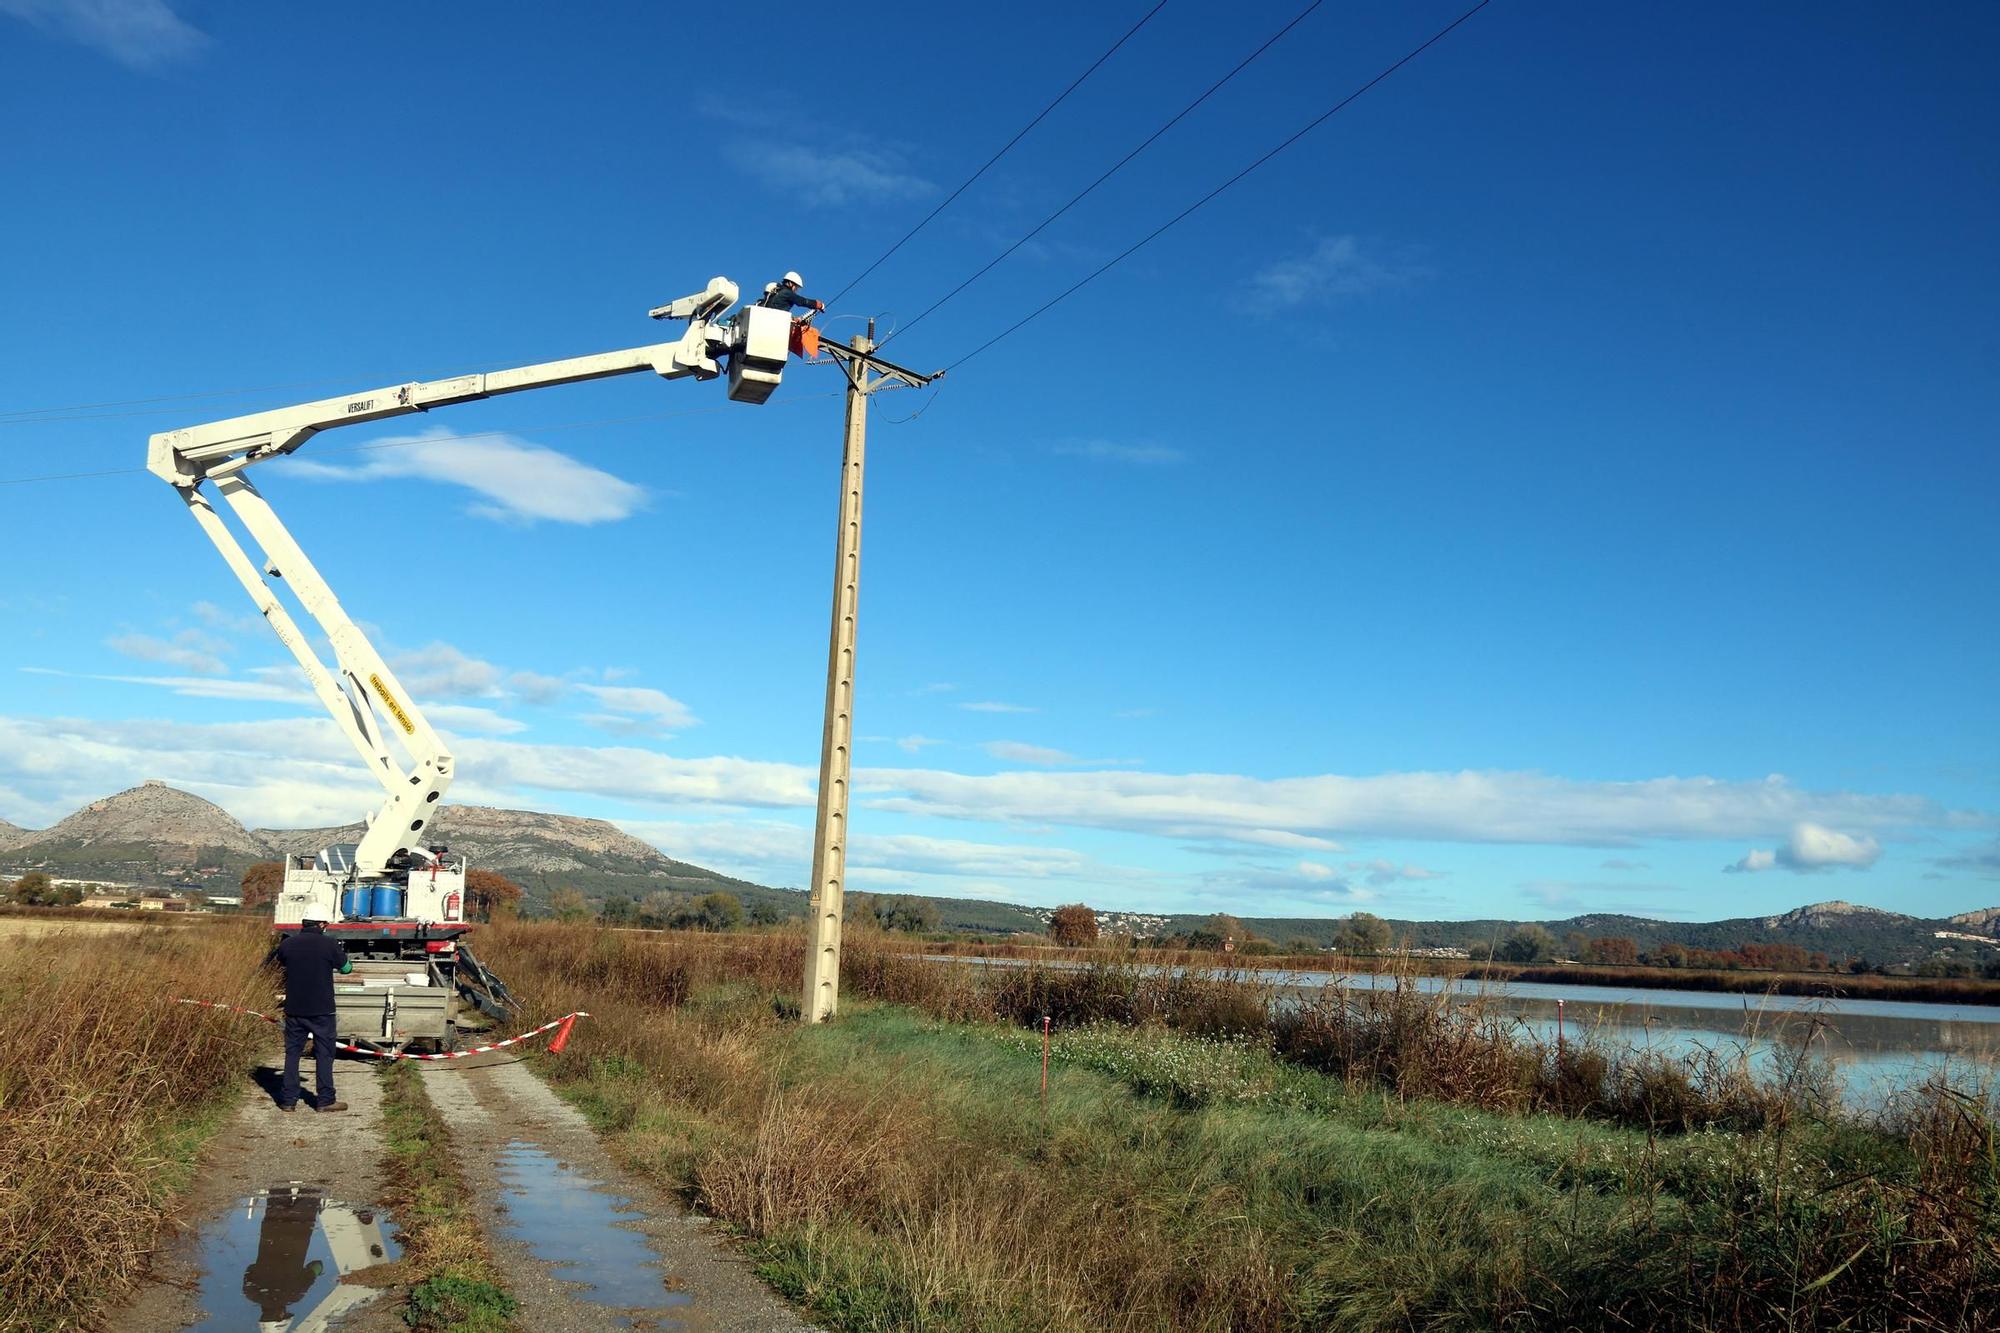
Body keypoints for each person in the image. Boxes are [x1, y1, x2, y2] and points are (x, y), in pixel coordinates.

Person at [275, 919, 352, 1112]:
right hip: (322, 1010)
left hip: (294, 1009)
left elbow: (280, 962)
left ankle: (288, 1101)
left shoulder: (287, 944)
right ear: (322, 924)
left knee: (292, 1054)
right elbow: (347, 968)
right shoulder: (330, 944)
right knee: (324, 1054)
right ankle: (325, 1100)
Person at [757, 271, 824, 314]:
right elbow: (802, 301)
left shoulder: (776, 292)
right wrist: (817, 304)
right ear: (790, 283)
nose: (796, 290)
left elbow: (778, 308)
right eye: (796, 287)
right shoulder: (787, 293)